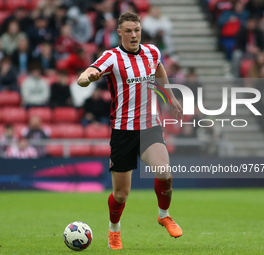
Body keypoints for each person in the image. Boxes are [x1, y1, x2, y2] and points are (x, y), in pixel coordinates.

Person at [77, 12, 184, 249]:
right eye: (128, 31)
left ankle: (163, 214)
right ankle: (114, 229)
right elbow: (83, 77)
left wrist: (171, 96)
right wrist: (88, 78)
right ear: (120, 33)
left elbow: (159, 69)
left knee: (165, 172)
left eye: (137, 30)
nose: (133, 35)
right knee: (121, 195)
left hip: (150, 127)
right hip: (123, 131)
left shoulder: (152, 51)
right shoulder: (111, 57)